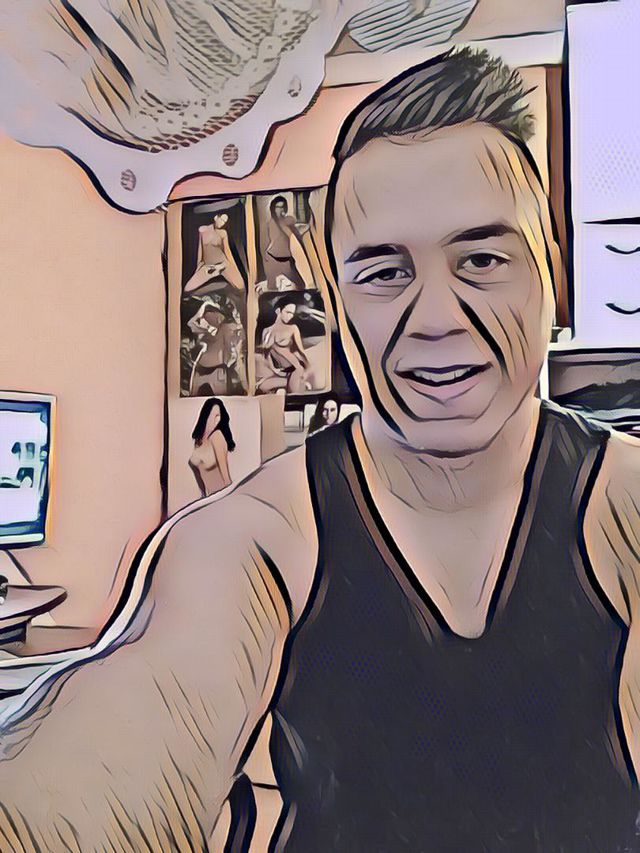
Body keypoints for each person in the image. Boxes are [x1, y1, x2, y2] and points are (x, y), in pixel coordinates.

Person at [3, 48, 640, 852]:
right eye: (384, 273)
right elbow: (102, 759)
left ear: (550, 268)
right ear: (336, 305)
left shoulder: (625, 512)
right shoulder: (260, 542)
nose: (436, 317)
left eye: (481, 258)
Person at [255, 298, 314, 394]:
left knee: (292, 393)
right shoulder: (266, 331)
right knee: (262, 387)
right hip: (280, 371)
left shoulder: (292, 328)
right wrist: (273, 371)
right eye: (288, 312)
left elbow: (301, 351)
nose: (290, 316)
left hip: (295, 369)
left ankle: (298, 383)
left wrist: (308, 369)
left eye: (292, 314)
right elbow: (267, 355)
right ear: (278, 311)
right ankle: (300, 384)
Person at [188, 301, 244, 396]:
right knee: (194, 397)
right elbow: (191, 324)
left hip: (217, 369)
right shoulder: (210, 331)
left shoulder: (228, 327)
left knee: (219, 398)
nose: (206, 319)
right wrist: (203, 307)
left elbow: (230, 348)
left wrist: (229, 364)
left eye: (209, 316)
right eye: (205, 317)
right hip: (201, 368)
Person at [185, 212, 245, 294]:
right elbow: (200, 250)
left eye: (224, 222)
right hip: (208, 266)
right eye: (222, 220)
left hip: (223, 264)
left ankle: (219, 272)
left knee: (241, 286)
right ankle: (213, 274)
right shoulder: (202, 230)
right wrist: (198, 267)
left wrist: (234, 268)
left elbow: (228, 252)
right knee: (187, 288)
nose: (223, 223)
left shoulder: (223, 233)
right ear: (216, 217)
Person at [263, 196, 312, 291]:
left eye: (282, 207)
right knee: (272, 289)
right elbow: (268, 241)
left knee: (300, 285)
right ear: (273, 208)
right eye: (277, 207)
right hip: (273, 259)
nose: (280, 210)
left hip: (287, 261)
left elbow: (295, 235)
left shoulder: (289, 220)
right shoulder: (270, 223)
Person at [189, 398, 236, 497]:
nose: (215, 420)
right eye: (212, 415)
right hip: (208, 498)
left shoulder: (217, 436)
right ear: (205, 416)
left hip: (221, 497)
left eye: (218, 416)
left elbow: (225, 476)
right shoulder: (198, 442)